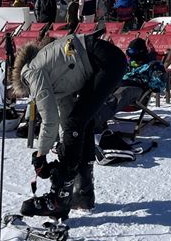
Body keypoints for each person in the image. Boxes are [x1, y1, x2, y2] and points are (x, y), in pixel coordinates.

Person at [11, 33, 127, 217]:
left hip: (104, 60)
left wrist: (41, 156)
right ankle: (82, 195)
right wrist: (63, 146)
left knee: (76, 124)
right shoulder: (53, 71)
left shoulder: (31, 72)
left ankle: (59, 199)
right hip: (106, 60)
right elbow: (64, 116)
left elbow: (49, 119)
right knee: (80, 124)